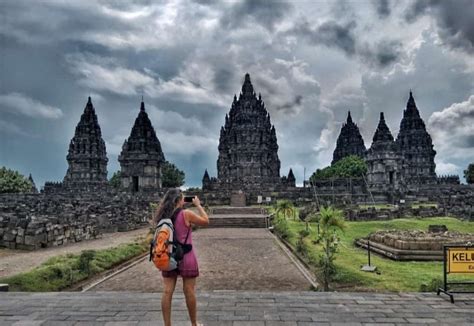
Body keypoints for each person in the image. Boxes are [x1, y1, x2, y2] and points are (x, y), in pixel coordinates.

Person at [152, 188, 209, 326]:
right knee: (189, 290)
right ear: (178, 200)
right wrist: (198, 205)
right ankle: (194, 324)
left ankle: (167, 324)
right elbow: (206, 221)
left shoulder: (163, 216)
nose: (184, 200)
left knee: (167, 291)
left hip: (168, 256)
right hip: (186, 256)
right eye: (183, 198)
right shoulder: (186, 214)